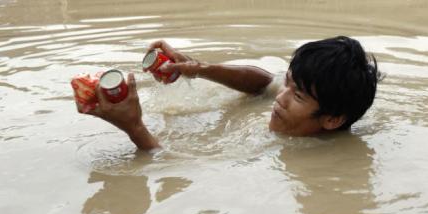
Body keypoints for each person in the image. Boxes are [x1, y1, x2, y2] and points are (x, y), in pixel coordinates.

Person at [75, 36, 380, 150]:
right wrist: (199, 68)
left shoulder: (310, 157)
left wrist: (135, 128)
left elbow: (169, 163)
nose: (280, 96)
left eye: (297, 96)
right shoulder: (308, 102)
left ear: (332, 120)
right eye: (288, 84)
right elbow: (264, 82)